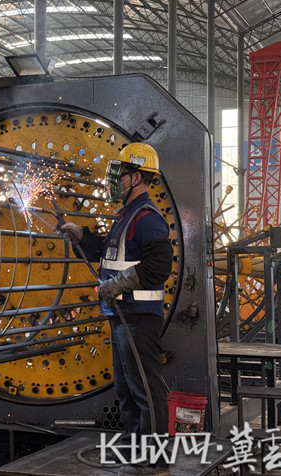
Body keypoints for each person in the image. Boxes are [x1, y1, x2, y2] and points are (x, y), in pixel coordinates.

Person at [57, 142, 173, 476]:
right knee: (126, 386)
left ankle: (155, 457)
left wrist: (119, 284)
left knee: (145, 388)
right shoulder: (126, 216)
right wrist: (80, 236)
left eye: (121, 174)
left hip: (138, 317)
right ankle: (134, 446)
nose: (115, 181)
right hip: (122, 317)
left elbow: (159, 265)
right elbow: (109, 252)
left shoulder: (146, 218)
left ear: (137, 177)